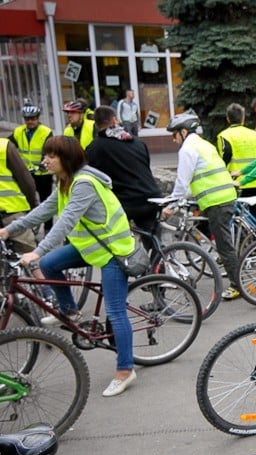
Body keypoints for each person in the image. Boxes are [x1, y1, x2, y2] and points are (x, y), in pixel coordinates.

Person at [0, 136, 137, 397]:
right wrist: (8, 230)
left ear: (67, 159)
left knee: (116, 312)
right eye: (46, 155)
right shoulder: (65, 182)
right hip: (90, 248)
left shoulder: (83, 183)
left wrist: (37, 251)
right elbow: (42, 212)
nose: (45, 160)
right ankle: (70, 311)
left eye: (51, 156)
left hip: (113, 252)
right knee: (49, 265)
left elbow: (64, 221)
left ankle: (125, 370)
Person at [164, 113, 242, 300]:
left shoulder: (187, 149)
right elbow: (199, 177)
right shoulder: (203, 144)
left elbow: (183, 182)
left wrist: (172, 205)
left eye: (174, 135)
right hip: (222, 196)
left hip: (217, 200)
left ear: (183, 132)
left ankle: (237, 285)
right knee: (221, 242)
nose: (174, 140)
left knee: (224, 246)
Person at [85, 106, 162, 237]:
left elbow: (93, 179)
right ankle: (157, 256)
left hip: (126, 202)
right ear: (115, 120)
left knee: (115, 239)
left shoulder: (94, 148)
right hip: (152, 196)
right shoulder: (138, 143)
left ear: (96, 125)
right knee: (152, 239)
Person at [216, 103, 256, 201]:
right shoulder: (254, 134)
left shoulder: (224, 136)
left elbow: (225, 156)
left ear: (228, 119)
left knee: (236, 214)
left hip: (236, 182)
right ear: (243, 118)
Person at [0, 136, 40, 252]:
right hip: (11, 210)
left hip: (9, 212)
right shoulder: (4, 146)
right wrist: (33, 205)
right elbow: (26, 181)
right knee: (29, 256)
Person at [9, 100, 54, 203]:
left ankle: (47, 220)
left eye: (33, 119)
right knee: (28, 202)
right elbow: (7, 145)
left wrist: (43, 164)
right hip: (26, 174)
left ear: (38, 118)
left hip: (43, 174)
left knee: (46, 203)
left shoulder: (46, 132)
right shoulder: (18, 131)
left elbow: (49, 152)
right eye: (27, 119)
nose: (30, 122)